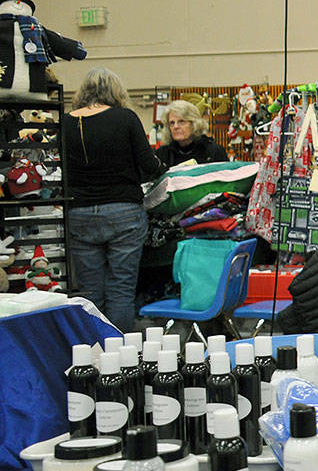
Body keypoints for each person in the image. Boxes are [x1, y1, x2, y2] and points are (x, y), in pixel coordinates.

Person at [64, 67, 165, 331]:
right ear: (116, 91)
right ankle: (121, 357)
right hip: (124, 212)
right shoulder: (125, 118)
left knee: (88, 292)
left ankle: (91, 353)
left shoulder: (65, 123)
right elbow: (149, 165)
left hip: (79, 213)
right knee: (120, 289)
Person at [155, 99, 229, 167]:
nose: (176, 126)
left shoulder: (213, 151)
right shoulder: (162, 155)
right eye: (172, 123)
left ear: (194, 124)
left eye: (181, 121)